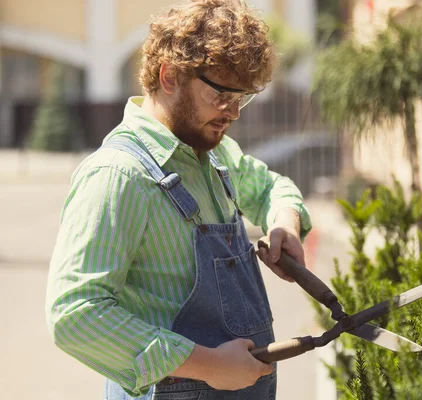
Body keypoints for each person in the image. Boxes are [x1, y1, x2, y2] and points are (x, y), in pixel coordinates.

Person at [44, 1, 312, 398]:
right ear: (169, 76)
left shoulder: (213, 154)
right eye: (222, 93)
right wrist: (210, 366)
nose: (233, 112)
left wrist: (284, 223)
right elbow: (75, 314)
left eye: (243, 97)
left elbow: (273, 187)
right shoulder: (118, 175)